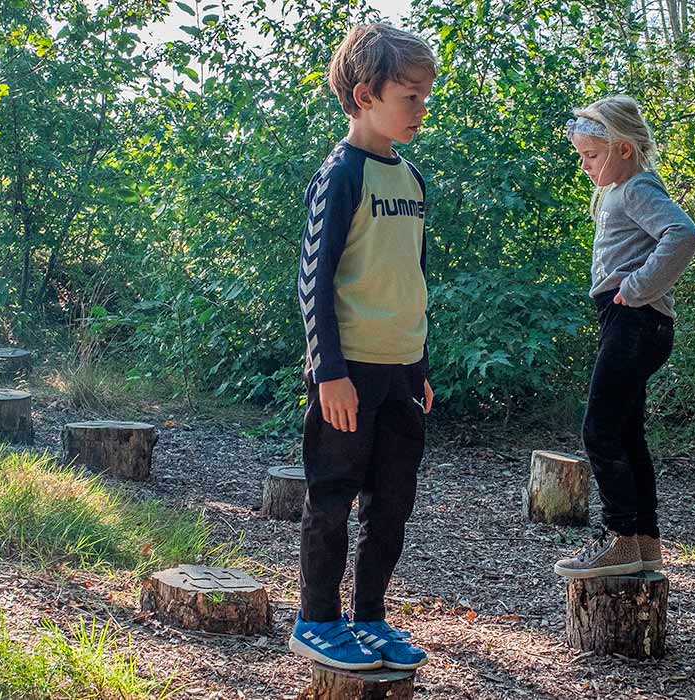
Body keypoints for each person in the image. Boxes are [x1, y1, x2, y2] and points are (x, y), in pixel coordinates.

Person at [289, 22, 437, 672]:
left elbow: (412, 278)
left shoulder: (412, 179)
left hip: (402, 374)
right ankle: (317, 620)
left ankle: (370, 617)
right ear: (364, 95)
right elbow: (312, 280)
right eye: (410, 97)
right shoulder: (340, 175)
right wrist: (328, 371)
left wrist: (420, 366)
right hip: (347, 374)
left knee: (392, 503)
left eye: (425, 96)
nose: (421, 108)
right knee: (332, 500)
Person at [553, 95, 695, 579]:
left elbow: (682, 234)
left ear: (623, 149)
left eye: (591, 155)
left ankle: (618, 536)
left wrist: (636, 288)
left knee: (599, 429)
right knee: (626, 433)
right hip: (630, 322)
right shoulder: (621, 190)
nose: (585, 165)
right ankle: (643, 542)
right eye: (581, 155)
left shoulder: (637, 187)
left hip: (636, 320)